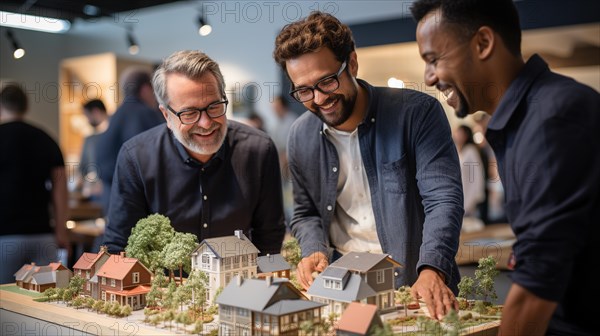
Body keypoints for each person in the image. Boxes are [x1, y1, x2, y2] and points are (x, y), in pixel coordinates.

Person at [411, 0, 600, 334]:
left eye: (433, 59)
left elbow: (538, 282)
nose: (428, 78)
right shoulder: (524, 121)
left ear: (483, 43)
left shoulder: (553, 116)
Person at [273, 12, 464, 320]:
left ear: (352, 63)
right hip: (345, 292)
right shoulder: (300, 136)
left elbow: (443, 199)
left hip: (417, 288)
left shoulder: (417, 114)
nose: (319, 99)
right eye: (304, 91)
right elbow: (306, 212)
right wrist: (313, 249)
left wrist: (432, 267)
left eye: (326, 81)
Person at [102, 50, 285, 257]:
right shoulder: (136, 158)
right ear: (166, 115)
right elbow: (119, 244)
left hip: (237, 282)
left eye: (214, 107)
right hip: (164, 285)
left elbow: (270, 236)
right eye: (189, 113)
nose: (206, 123)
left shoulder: (259, 150)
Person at [0, 84, 70, 283]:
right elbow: (60, 189)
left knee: (3, 304)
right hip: (42, 237)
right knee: (46, 301)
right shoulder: (45, 139)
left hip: (4, 237)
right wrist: (61, 231)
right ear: (25, 106)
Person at [95, 67, 165, 215]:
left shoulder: (117, 115)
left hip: (111, 199)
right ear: (146, 89)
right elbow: (151, 157)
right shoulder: (144, 113)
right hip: (134, 200)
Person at [268, 94, 297, 223]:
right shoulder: (277, 123)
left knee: (291, 196)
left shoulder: (292, 121)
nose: (274, 109)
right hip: (280, 166)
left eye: (276, 107)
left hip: (291, 166)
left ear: (283, 106)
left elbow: (290, 147)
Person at [452, 125, 485, 232]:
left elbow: (477, 176)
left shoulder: (471, 151)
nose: (456, 135)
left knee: (471, 229)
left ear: (465, 135)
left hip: (470, 194)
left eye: (459, 132)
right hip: (460, 193)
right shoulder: (456, 150)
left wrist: (474, 198)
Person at [78, 99, 108, 202]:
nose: (87, 120)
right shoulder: (89, 139)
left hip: (110, 192)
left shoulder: (115, 134)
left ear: (95, 112)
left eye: (87, 116)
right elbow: (82, 167)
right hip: (92, 194)